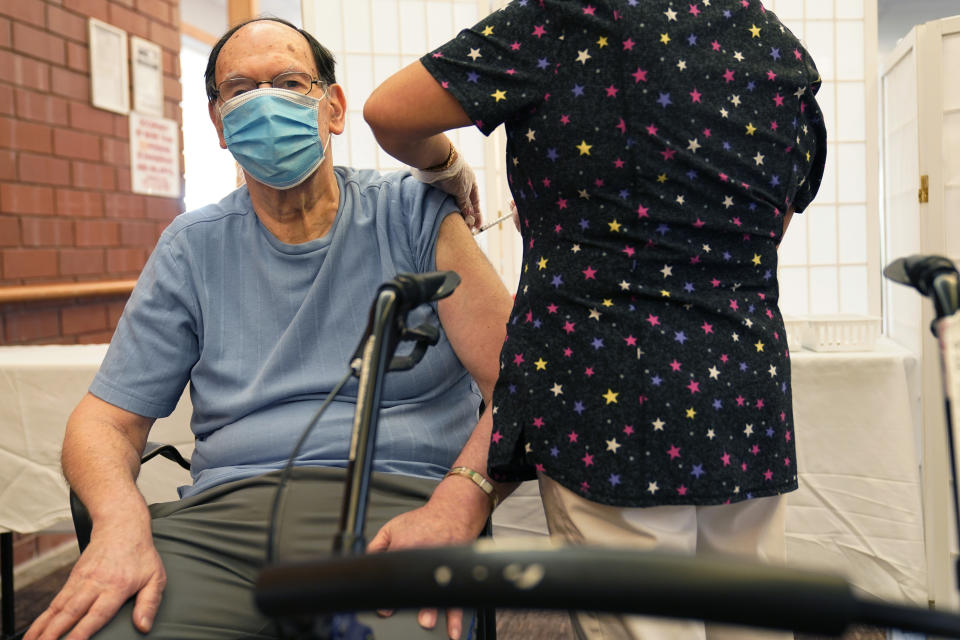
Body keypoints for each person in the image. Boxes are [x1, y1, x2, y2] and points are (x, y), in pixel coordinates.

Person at [24, 17, 512, 640]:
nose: (264, 103)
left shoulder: (413, 214)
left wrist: (459, 501)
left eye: (288, 81)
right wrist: (120, 524)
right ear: (218, 123)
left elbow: (518, 384)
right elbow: (105, 420)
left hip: (394, 510)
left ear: (333, 108)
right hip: (221, 523)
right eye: (240, 90)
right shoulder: (191, 247)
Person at [364, 1, 827, 638]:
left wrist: (449, 166)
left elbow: (388, 112)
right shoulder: (778, 48)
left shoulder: (564, 19)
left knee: (641, 625)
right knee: (751, 619)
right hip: (742, 391)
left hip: (612, 391)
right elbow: (765, 229)